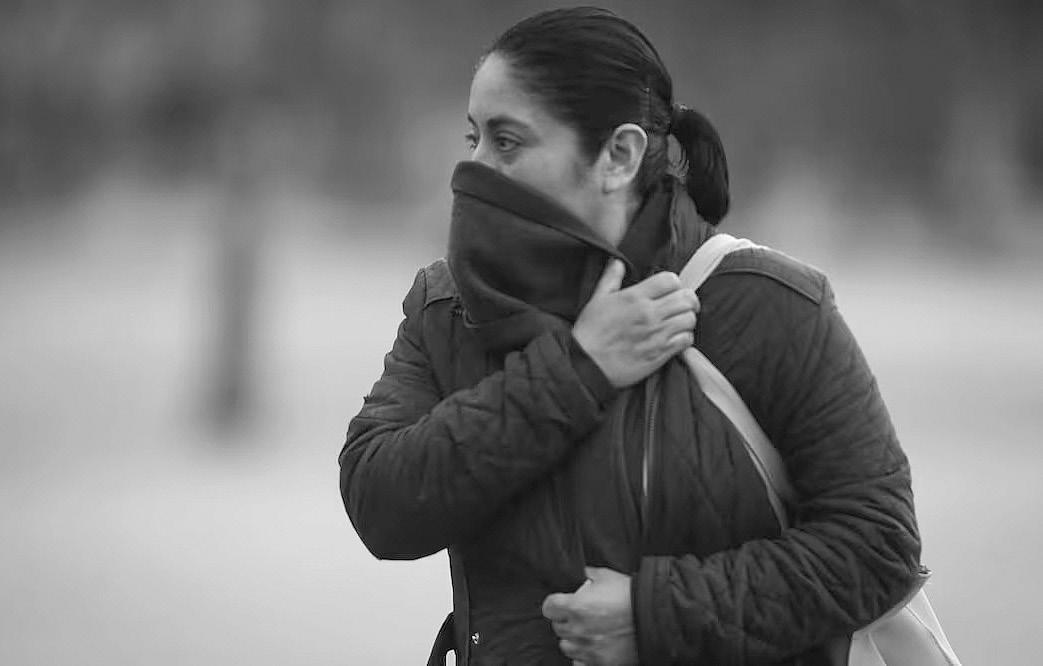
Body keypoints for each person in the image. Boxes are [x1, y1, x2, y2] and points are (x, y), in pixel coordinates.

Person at [339, 7, 921, 665]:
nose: (474, 168)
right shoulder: (445, 306)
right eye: (472, 138)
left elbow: (877, 544)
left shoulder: (770, 305)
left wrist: (658, 615)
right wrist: (574, 372)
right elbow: (380, 505)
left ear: (618, 155)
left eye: (507, 142)